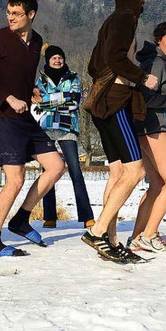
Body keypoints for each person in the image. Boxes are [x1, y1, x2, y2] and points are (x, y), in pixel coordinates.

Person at [0, 0, 65, 257]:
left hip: (26, 116)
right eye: (8, 13)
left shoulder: (37, 42)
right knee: (15, 179)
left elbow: (20, 75)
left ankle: (21, 219)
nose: (10, 18)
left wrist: (30, 91)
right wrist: (9, 98)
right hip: (2, 116)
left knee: (57, 166)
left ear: (31, 14)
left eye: (16, 13)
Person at [81, 0, 159, 263]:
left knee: (116, 173)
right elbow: (115, 57)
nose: (144, 1)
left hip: (102, 104)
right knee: (135, 171)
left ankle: (110, 240)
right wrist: (141, 78)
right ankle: (99, 231)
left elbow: (93, 64)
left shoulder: (111, 20)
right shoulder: (126, 19)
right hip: (116, 102)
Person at [128, 21, 166, 253]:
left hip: (143, 128)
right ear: (159, 38)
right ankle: (149, 234)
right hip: (152, 127)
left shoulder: (150, 60)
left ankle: (136, 237)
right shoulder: (156, 62)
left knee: (157, 185)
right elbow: (146, 98)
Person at [33, 45, 95, 229]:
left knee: (75, 170)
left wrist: (47, 101)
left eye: (60, 57)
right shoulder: (41, 80)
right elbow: (37, 103)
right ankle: (49, 217)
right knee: (48, 173)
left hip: (68, 127)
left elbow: (74, 100)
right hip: (46, 128)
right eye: (54, 58)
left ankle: (87, 216)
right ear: (48, 61)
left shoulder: (73, 77)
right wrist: (60, 100)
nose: (58, 60)